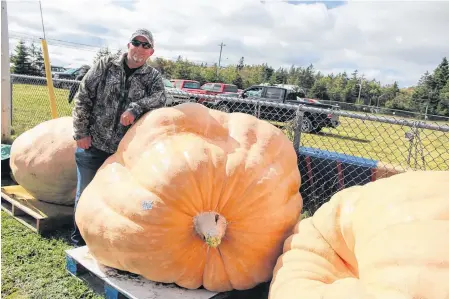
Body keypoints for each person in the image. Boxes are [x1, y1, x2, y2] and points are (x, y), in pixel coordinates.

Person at [71, 28, 166, 247]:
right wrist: (81, 133)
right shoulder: (106, 65)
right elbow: (83, 96)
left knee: (114, 199)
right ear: (128, 45)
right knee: (85, 194)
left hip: (124, 151)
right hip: (93, 144)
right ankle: (79, 241)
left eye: (146, 45)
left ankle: (104, 242)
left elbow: (161, 98)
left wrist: (136, 107)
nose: (140, 49)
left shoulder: (151, 77)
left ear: (151, 51)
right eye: (137, 43)